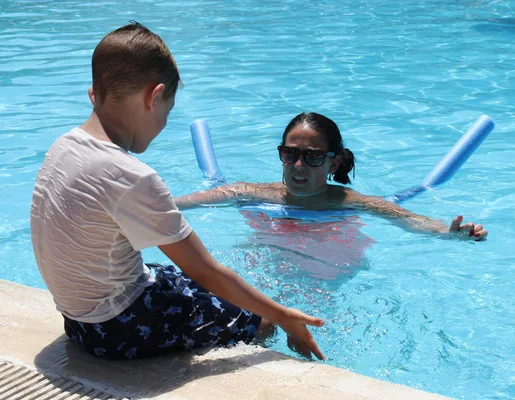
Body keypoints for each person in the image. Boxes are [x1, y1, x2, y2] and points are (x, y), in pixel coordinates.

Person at [30, 22, 325, 362]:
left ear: (94, 93)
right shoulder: (132, 176)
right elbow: (207, 272)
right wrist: (283, 316)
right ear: (153, 97)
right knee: (258, 320)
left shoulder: (62, 146)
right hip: (116, 330)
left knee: (170, 273)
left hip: (78, 321)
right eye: (167, 112)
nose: (164, 123)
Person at [175, 112, 489, 241]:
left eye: (312, 157)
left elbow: (410, 220)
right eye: (289, 154)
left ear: (333, 162)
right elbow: (180, 203)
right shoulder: (250, 193)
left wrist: (449, 233)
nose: (298, 165)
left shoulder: (354, 203)